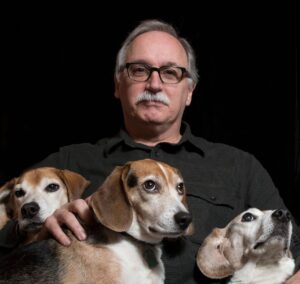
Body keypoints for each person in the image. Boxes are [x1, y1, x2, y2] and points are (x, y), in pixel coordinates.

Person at [1, 19, 299, 283]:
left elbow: (295, 261)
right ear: (119, 84)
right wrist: (34, 232)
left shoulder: (239, 167)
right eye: (139, 70)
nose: (154, 84)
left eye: (170, 72)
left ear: (190, 91)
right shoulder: (67, 163)